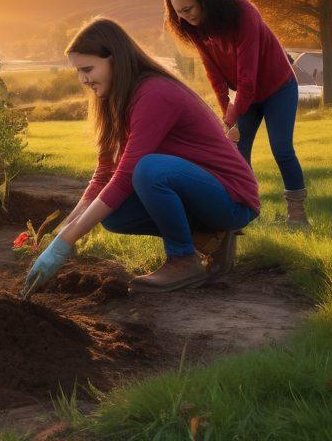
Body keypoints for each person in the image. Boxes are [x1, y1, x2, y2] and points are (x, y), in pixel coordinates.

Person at [23, 18, 260, 295]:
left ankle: (184, 260)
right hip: (199, 193)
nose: (83, 79)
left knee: (149, 170)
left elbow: (125, 176)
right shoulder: (113, 101)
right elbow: (104, 173)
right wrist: (62, 232)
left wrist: (65, 241)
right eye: (78, 71)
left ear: (115, 60)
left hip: (232, 198)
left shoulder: (154, 93)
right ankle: (209, 238)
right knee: (114, 216)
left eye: (88, 69)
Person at [165, 0, 309, 227]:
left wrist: (231, 117)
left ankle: (297, 216)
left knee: (282, 150)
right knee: (236, 153)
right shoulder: (196, 28)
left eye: (188, 9)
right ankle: (246, 214)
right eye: (179, 13)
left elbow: (247, 80)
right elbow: (214, 75)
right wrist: (226, 117)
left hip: (279, 89)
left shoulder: (243, 13)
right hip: (248, 97)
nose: (185, 17)